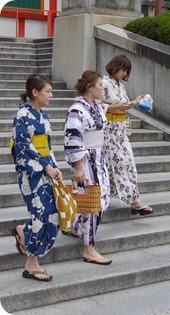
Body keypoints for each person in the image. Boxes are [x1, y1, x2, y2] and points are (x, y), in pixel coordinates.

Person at [11, 74, 63, 282]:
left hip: (45, 169)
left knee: (52, 213)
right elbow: (23, 147)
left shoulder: (44, 115)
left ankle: (23, 231)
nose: (51, 95)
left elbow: (47, 146)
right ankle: (31, 263)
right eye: (48, 91)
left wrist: (54, 168)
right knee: (42, 214)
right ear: (35, 92)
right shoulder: (22, 115)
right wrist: (45, 167)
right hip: (30, 173)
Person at [64, 70, 112, 265]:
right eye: (100, 85)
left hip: (99, 157)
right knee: (93, 203)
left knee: (100, 198)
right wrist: (78, 167)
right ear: (90, 87)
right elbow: (73, 138)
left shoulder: (96, 106)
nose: (103, 88)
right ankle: (89, 248)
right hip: (86, 160)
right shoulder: (77, 109)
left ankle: (77, 226)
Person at [102, 54, 153, 216]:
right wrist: (117, 106)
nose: (125, 73)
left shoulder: (120, 85)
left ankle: (130, 199)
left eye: (126, 71)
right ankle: (133, 201)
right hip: (108, 130)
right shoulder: (103, 83)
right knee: (118, 164)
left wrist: (135, 102)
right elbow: (97, 105)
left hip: (120, 130)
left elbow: (123, 107)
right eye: (123, 69)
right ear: (115, 67)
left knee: (127, 163)